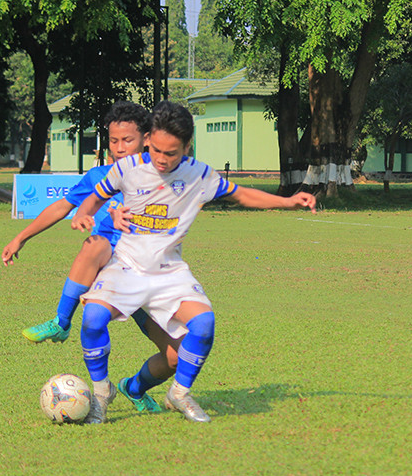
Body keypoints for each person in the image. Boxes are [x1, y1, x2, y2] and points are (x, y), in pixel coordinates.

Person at [71, 101, 316, 423]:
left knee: (203, 324)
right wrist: (83, 213)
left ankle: (179, 393)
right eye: (156, 150)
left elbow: (242, 195)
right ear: (148, 140)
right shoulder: (127, 168)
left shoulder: (199, 175)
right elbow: (96, 197)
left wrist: (288, 201)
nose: (161, 159)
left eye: (171, 153)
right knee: (92, 318)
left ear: (187, 147)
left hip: (168, 271)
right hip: (127, 265)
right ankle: (102, 394)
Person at [2, 101, 178, 415]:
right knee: (93, 246)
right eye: (113, 141)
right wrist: (21, 237)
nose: (119, 148)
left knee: (175, 357)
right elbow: (62, 207)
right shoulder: (100, 176)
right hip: (111, 268)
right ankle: (62, 323)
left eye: (128, 140)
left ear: (147, 139)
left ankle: (134, 388)